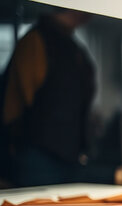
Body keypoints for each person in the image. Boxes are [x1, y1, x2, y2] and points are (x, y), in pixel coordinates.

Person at [1, 9, 113, 186]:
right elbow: (12, 107)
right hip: (38, 158)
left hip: (70, 159)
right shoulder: (36, 41)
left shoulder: (74, 48)